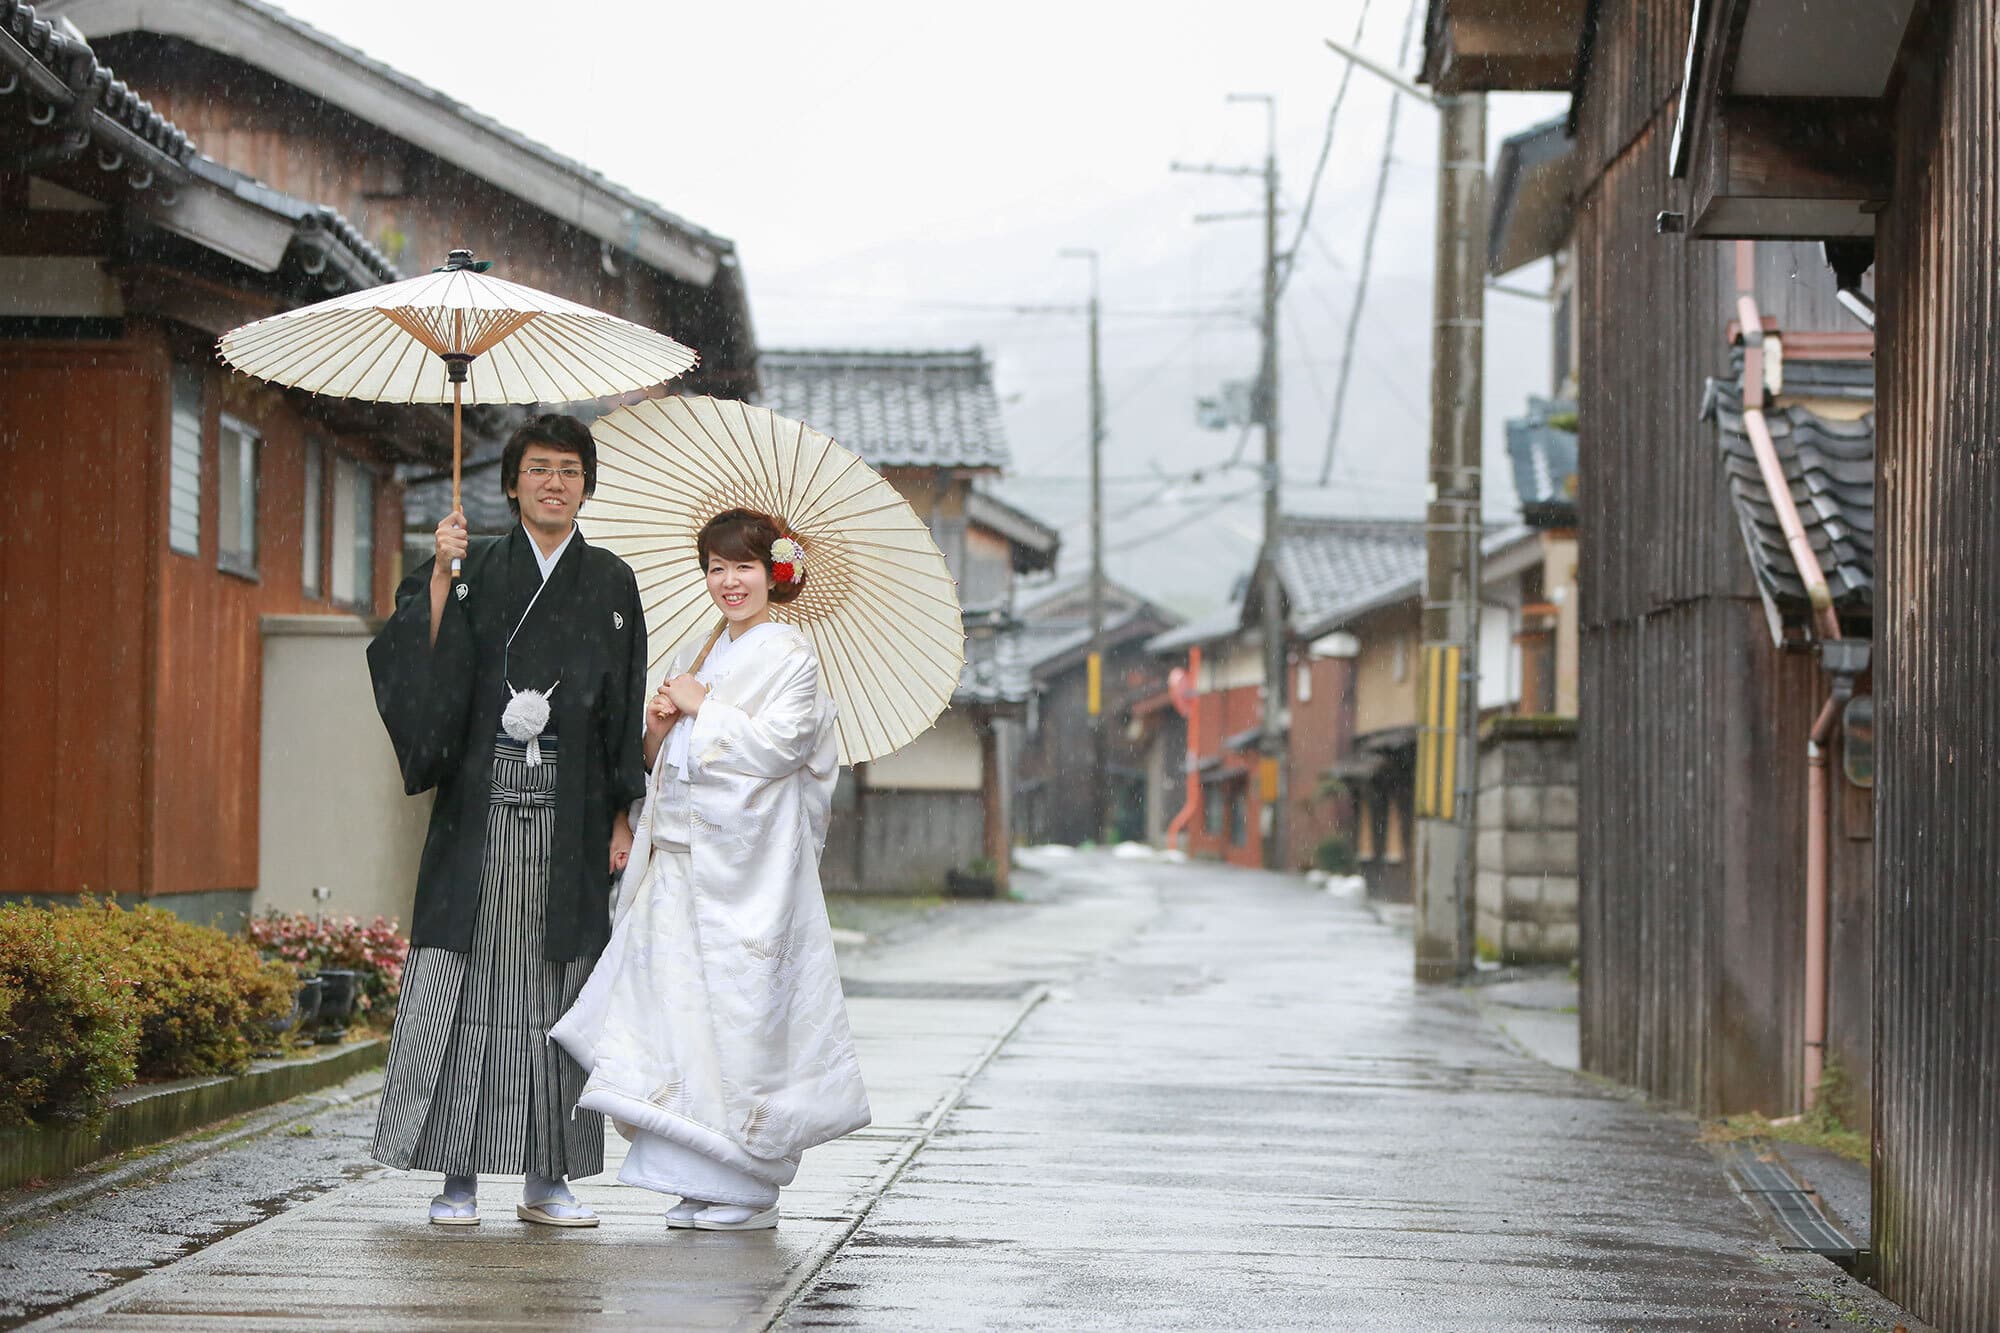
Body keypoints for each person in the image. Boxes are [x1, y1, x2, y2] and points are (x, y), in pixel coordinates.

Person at [551, 507, 870, 1231]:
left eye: (744, 567)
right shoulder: (713, 651)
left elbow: (780, 749)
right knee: (676, 1018)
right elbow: (670, 763)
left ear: (775, 573)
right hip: (687, 863)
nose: (729, 581)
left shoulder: (790, 653)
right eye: (716, 567)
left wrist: (706, 709)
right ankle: (697, 1175)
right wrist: (661, 728)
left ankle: (750, 1184)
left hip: (747, 876)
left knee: (741, 1021)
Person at [366, 413, 648, 1228]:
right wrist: (436, 581)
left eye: (568, 469)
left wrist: (623, 813)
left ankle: (547, 1176)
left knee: (559, 988)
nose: (553, 482)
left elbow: (621, 701)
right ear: (511, 481)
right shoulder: (473, 566)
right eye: (537, 468)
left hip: (574, 807)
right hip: (480, 806)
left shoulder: (612, 581)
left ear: (586, 485)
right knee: (465, 983)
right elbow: (417, 667)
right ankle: (456, 1175)